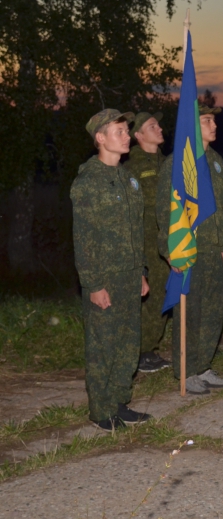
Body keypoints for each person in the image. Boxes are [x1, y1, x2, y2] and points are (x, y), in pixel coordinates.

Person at [71, 109, 151, 431]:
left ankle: (119, 402)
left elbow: (138, 231)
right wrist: (93, 284)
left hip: (130, 276)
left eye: (127, 131)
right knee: (103, 345)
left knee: (128, 343)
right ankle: (102, 411)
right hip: (104, 277)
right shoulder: (87, 182)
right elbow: (83, 238)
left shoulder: (129, 179)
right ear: (100, 138)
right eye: (119, 131)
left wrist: (141, 271)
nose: (127, 136)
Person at [155, 105, 223, 395]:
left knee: (213, 312)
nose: (214, 125)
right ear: (191, 125)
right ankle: (186, 372)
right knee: (190, 314)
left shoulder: (215, 161)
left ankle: (203, 366)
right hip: (189, 249)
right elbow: (166, 211)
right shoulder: (177, 164)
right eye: (206, 120)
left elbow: (221, 209)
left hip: (213, 250)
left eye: (213, 120)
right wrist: (171, 250)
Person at [123, 111, 171, 373]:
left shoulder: (167, 162)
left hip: (169, 239)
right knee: (149, 296)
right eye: (152, 126)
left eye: (159, 124)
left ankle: (150, 347)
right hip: (145, 241)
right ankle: (141, 351)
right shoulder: (132, 165)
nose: (159, 128)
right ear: (138, 135)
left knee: (164, 294)